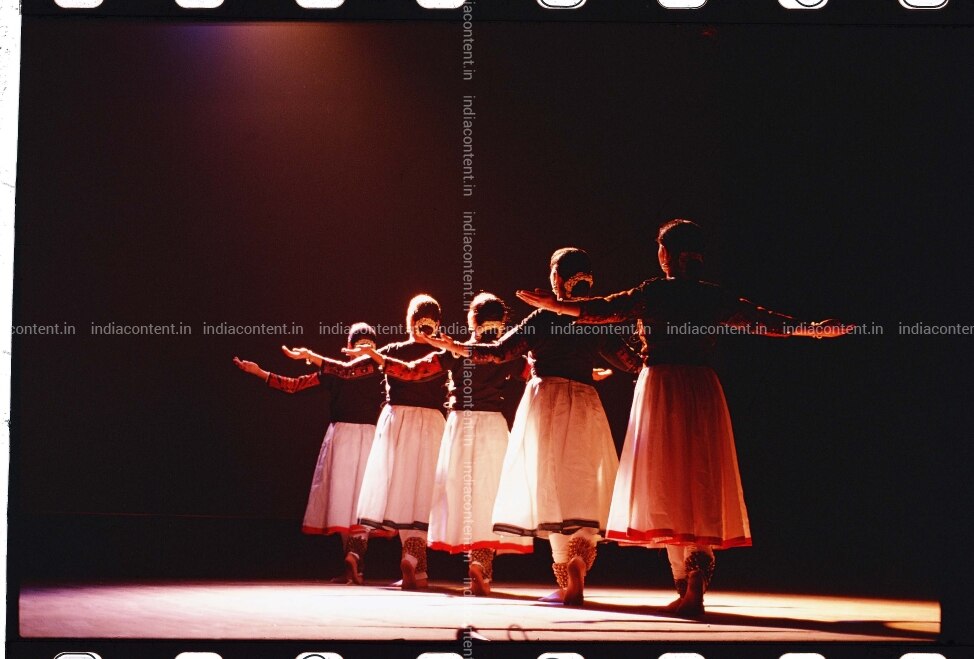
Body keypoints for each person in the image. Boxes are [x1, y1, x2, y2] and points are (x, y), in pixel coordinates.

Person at [516, 219, 852, 616]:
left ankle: (684, 580)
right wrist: (809, 330)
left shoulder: (652, 293)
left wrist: (555, 305)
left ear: (664, 255)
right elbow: (762, 321)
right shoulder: (713, 296)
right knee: (700, 480)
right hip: (703, 389)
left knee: (666, 484)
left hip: (662, 386)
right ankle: (694, 580)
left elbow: (602, 311)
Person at [422, 248, 645, 606]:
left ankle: (564, 568)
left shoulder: (542, 318)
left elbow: (498, 352)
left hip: (546, 403)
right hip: (585, 401)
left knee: (550, 488)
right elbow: (632, 362)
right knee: (584, 483)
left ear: (556, 278)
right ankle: (578, 563)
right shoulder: (595, 320)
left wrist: (457, 346)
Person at [346, 292, 533, 596]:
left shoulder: (455, 350)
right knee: (488, 495)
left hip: (460, 427)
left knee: (454, 496)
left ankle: (414, 558)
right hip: (493, 427)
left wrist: (378, 357)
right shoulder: (508, 353)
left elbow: (411, 372)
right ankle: (481, 564)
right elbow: (539, 372)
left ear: (473, 320)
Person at [287, 294, 451, 590]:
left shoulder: (392, 351)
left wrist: (315, 359)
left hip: (398, 423)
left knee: (403, 493)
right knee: (424, 492)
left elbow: (347, 372)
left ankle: (415, 563)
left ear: (408, 321)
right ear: (437, 323)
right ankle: (415, 561)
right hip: (432, 426)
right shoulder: (446, 353)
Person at [233, 322, 384, 585]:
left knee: (343, 501)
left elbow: (294, 385)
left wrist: (260, 373)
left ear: (349, 347)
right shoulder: (381, 371)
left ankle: (354, 562)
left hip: (342, 439)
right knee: (363, 504)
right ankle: (356, 559)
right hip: (370, 438)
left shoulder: (337, 372)